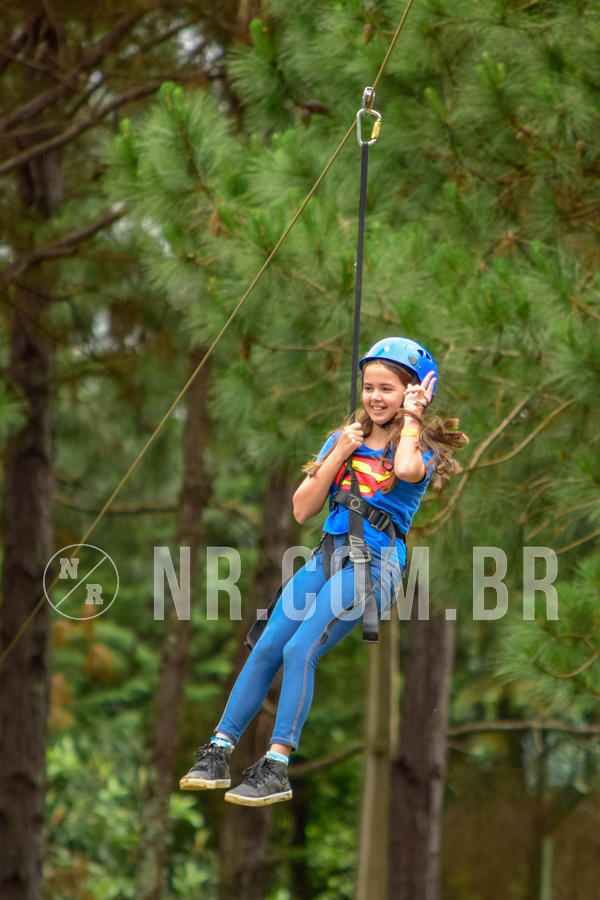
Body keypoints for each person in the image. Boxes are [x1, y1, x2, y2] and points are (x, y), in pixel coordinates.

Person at [179, 337, 467, 806]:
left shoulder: (419, 445)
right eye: (369, 387)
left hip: (374, 566)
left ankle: (276, 765)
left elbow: (408, 470)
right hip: (327, 556)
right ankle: (219, 750)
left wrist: (414, 418)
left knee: (301, 648)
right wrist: (339, 451)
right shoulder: (344, 439)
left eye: (388, 389)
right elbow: (301, 508)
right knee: (268, 644)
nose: (375, 397)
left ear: (412, 391)